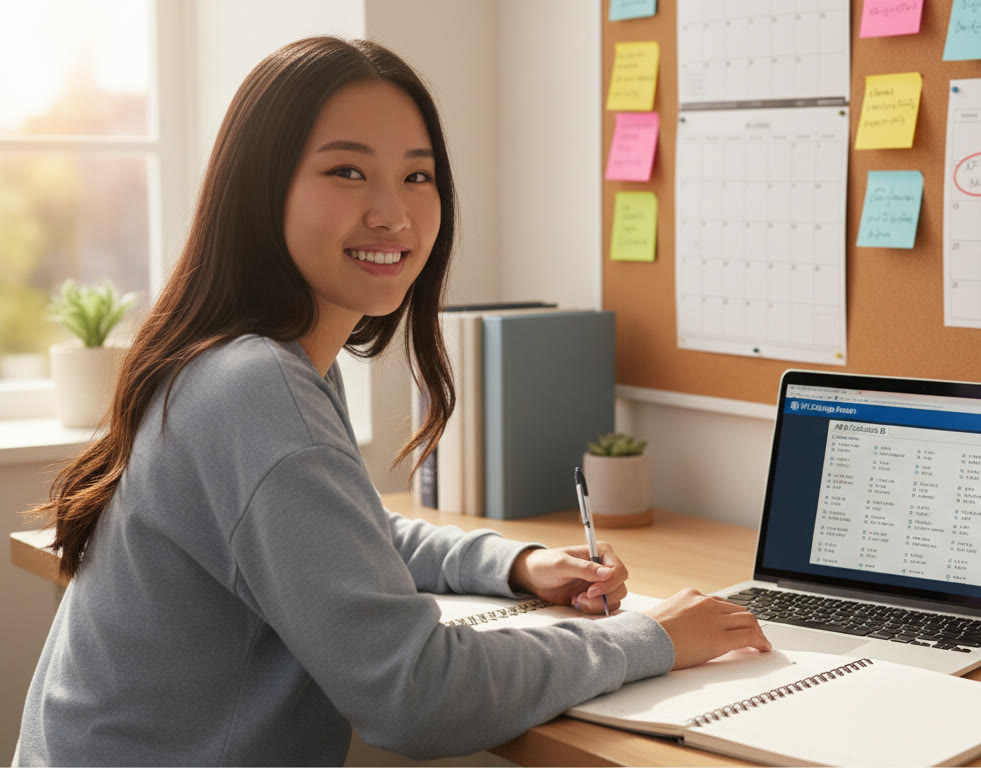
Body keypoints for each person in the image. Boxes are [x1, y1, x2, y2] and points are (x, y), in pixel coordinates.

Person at [14, 36, 769, 766]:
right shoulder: (255, 388)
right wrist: (654, 639)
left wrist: (519, 564)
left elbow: (348, 537)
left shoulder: (248, 359)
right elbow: (420, 696)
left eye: (418, 175)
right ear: (260, 189)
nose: (393, 213)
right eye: (346, 172)